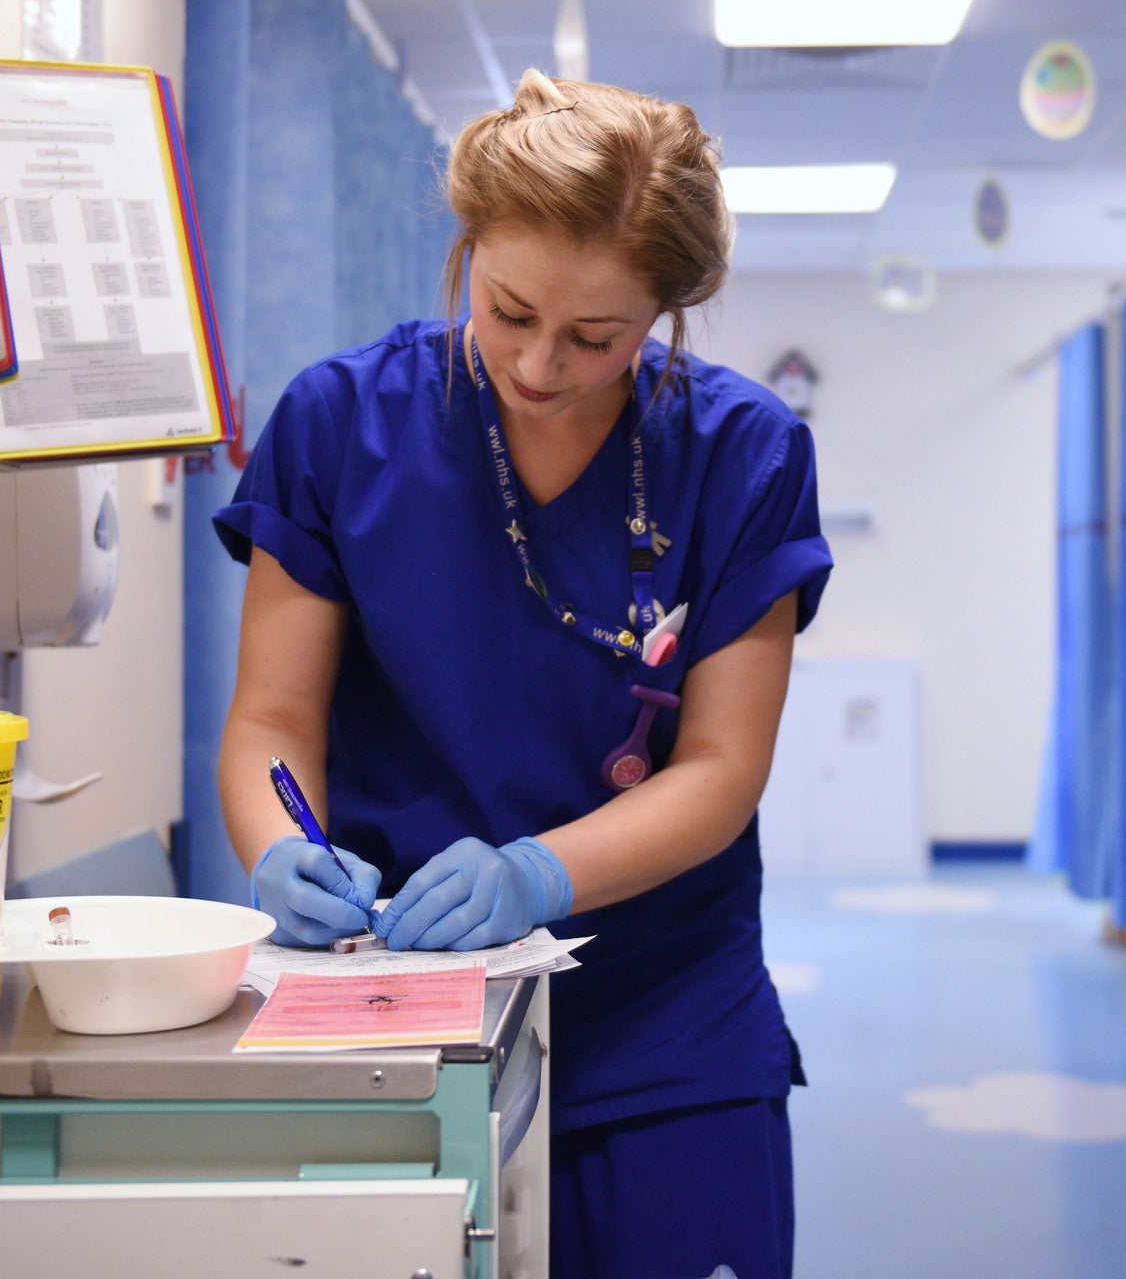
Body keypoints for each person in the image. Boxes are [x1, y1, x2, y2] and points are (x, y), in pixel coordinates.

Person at [213, 68, 832, 1279]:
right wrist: (272, 845)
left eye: (597, 337)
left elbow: (718, 766)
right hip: (397, 1002)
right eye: (507, 311)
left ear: (664, 312)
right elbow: (271, 716)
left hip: (668, 1021)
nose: (540, 365)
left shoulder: (740, 454)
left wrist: (537, 872)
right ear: (464, 252)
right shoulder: (342, 425)